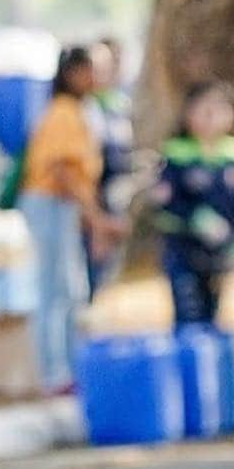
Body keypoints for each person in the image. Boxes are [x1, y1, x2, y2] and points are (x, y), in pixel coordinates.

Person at [19, 46, 123, 394]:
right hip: (50, 203)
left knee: (72, 289)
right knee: (56, 290)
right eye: (94, 69)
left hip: (65, 208)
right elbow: (63, 171)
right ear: (74, 73)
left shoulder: (85, 111)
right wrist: (96, 219)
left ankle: (70, 367)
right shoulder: (63, 112)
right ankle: (54, 373)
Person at [150, 80, 234, 327]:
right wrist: (195, 218)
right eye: (205, 110)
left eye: (220, 109)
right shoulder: (175, 154)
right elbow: (164, 203)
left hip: (221, 254)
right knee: (188, 314)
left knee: (213, 314)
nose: (212, 117)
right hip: (183, 251)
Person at [84, 38, 135, 297]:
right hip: (91, 203)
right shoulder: (84, 108)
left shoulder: (119, 105)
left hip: (115, 198)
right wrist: (96, 218)